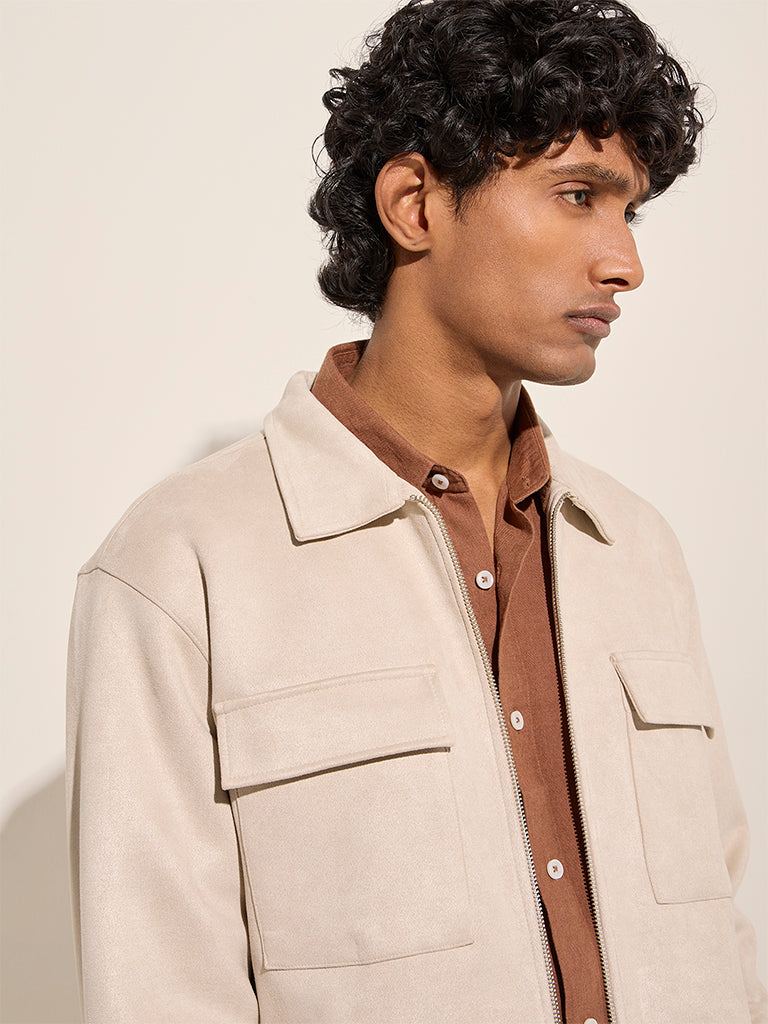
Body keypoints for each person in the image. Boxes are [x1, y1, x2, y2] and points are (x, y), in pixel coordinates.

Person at [65, 0, 767, 1021]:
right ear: (414, 204)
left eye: (631, 213)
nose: (625, 263)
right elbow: (157, 991)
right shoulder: (180, 568)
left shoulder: (638, 550)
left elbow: (726, 933)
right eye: (578, 195)